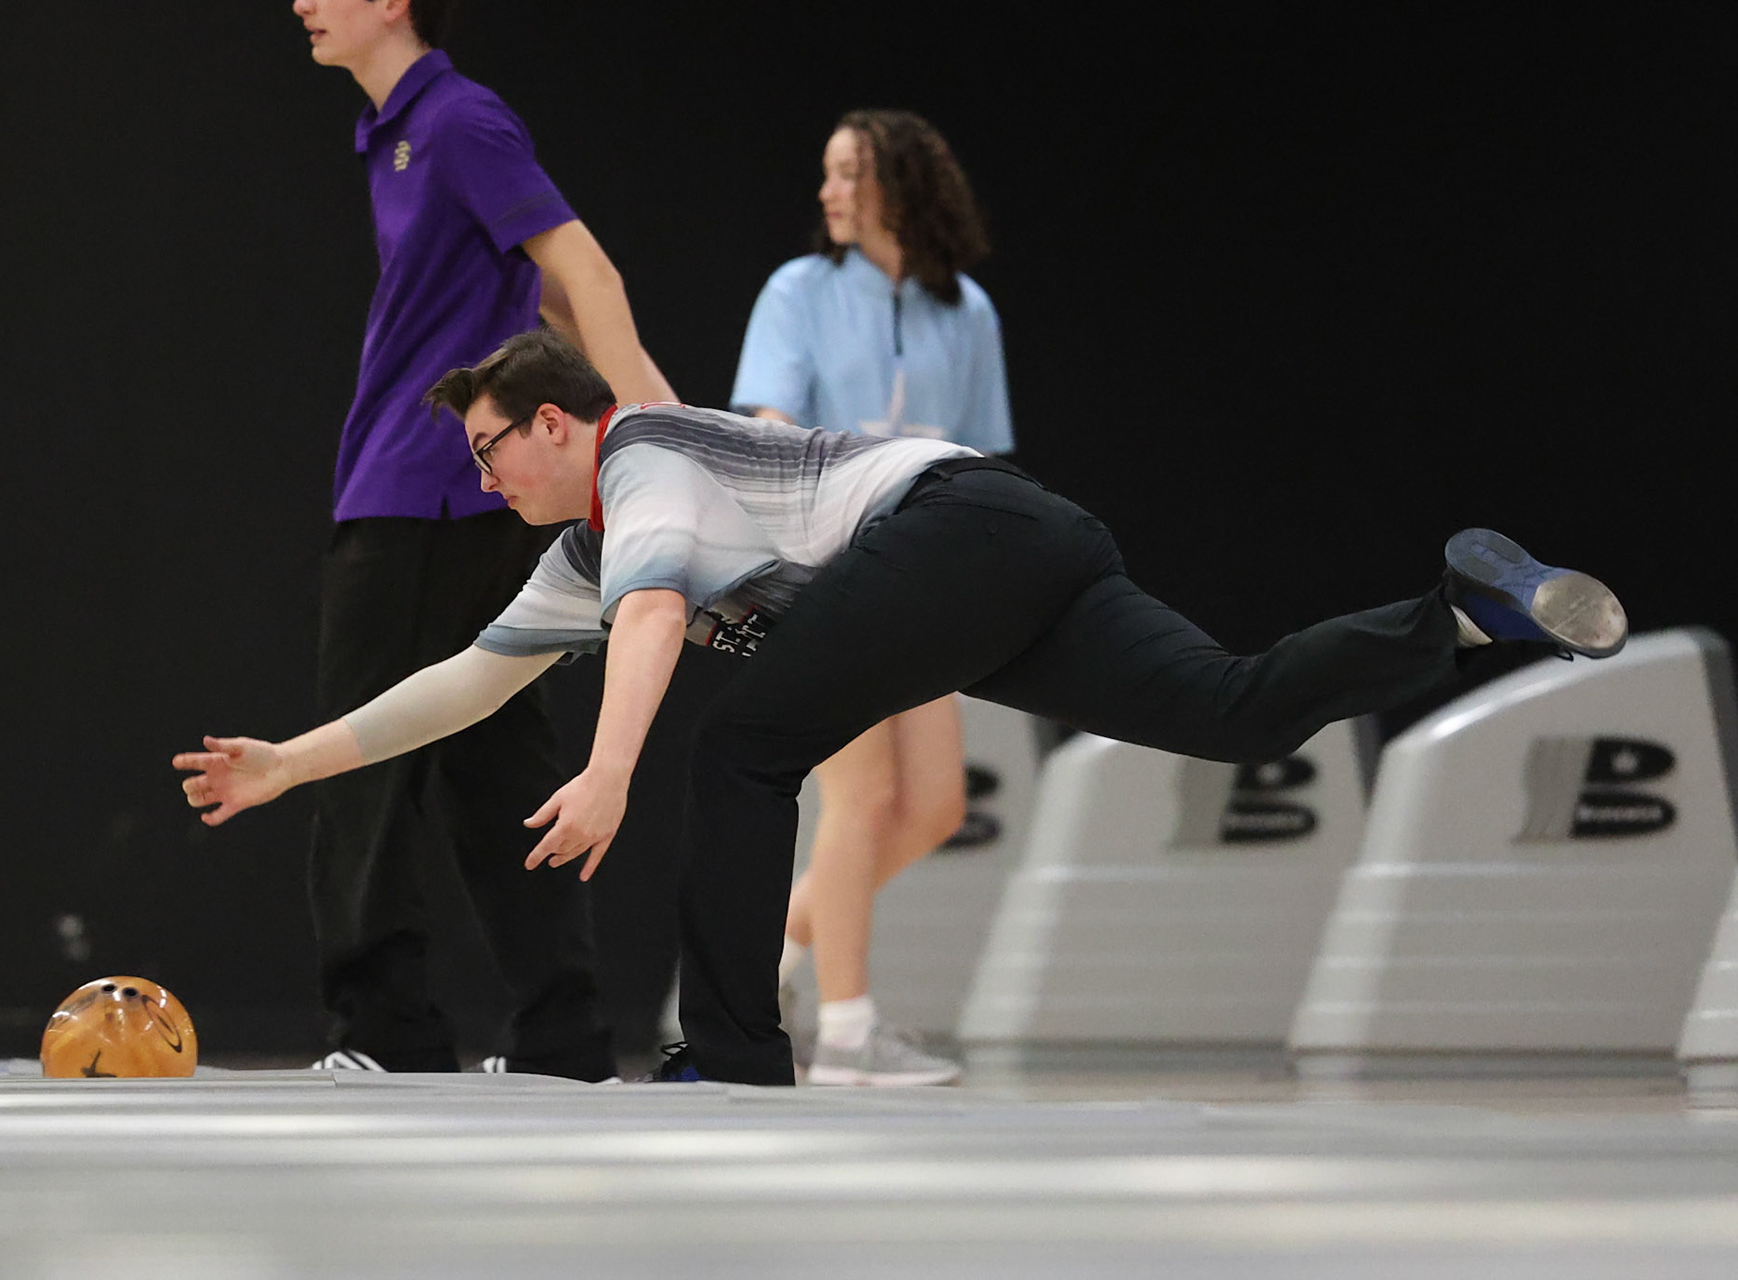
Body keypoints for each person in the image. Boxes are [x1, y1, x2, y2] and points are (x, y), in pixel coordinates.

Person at [175, 329, 1629, 1087]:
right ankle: (1455, 606)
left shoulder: (645, 459)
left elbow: (667, 619)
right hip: (1024, 544)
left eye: (495, 451)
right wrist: (293, 763)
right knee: (1236, 709)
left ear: (561, 422)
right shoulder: (582, 551)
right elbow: (470, 682)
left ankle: (734, 1058)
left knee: (744, 749)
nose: (485, 480)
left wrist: (613, 768)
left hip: (957, 530)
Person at [288, 0, 674, 1078]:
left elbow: (585, 271)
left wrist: (656, 439)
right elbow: (542, 292)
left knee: (369, 762)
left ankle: (384, 1030)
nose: (304, 3)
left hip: (423, 494)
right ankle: (563, 1036)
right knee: (499, 765)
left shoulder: (457, 120)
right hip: (437, 493)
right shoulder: (393, 137)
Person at [729, 109, 1011, 1086]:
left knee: (931, 805)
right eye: (827, 174)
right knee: (858, 797)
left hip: (931, 572)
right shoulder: (799, 291)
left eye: (848, 173)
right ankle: (847, 1030)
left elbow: (980, 457)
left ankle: (754, 962)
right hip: (826, 563)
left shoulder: (967, 310)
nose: (829, 192)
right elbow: (767, 426)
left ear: (899, 184)